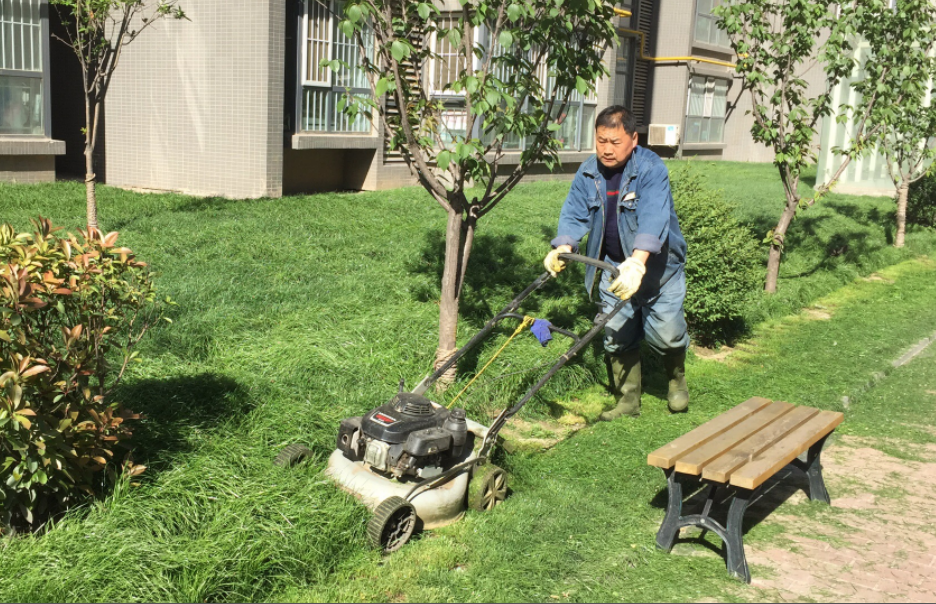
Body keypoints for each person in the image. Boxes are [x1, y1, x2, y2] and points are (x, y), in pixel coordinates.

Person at [543, 105, 689, 419]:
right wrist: (563, 245)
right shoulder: (588, 172)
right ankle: (628, 401)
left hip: (657, 270)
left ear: (633, 140)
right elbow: (574, 213)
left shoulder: (650, 169)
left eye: (615, 142)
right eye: (601, 141)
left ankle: (676, 380)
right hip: (612, 267)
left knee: (667, 336)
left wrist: (637, 262)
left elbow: (653, 217)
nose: (607, 149)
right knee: (616, 335)